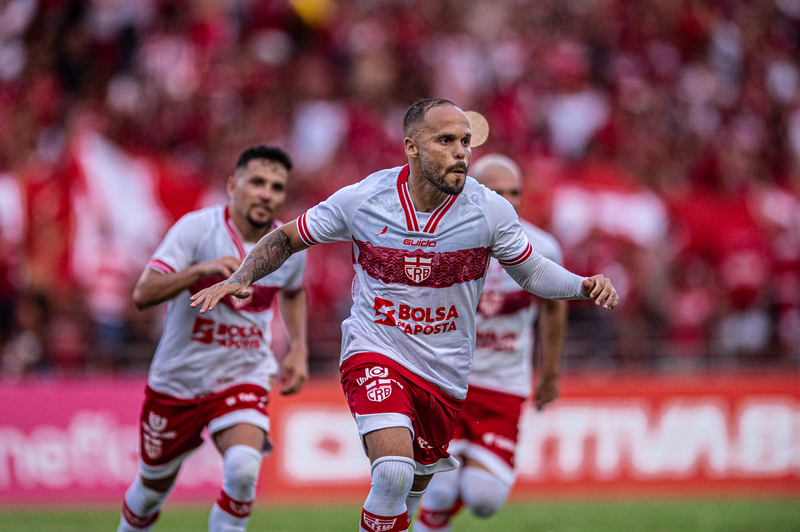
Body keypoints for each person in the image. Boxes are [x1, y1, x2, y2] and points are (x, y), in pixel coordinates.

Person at [191, 99, 619, 532]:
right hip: (375, 351)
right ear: (412, 148)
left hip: (444, 374)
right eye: (446, 141)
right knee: (392, 471)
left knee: (407, 496)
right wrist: (242, 275)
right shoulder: (364, 199)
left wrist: (580, 285)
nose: (461, 152)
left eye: (465, 142)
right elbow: (285, 239)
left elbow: (532, 273)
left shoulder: (488, 210)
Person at [117, 145, 308, 532]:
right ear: (232, 185)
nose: (266, 194)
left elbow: (293, 291)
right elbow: (142, 294)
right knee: (151, 490)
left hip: (243, 374)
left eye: (276, 187)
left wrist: (300, 346)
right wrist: (199, 270)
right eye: (257, 182)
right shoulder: (197, 229)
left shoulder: (287, 244)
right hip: (178, 381)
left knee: (242, 469)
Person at [414, 154, 567, 531]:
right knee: (442, 485)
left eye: (514, 192)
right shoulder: (440, 241)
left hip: (503, 387)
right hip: (446, 383)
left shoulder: (542, 248)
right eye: (497, 192)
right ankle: (428, 520)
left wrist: (549, 374)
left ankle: (434, 517)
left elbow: (554, 309)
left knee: (484, 498)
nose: (508, 200)